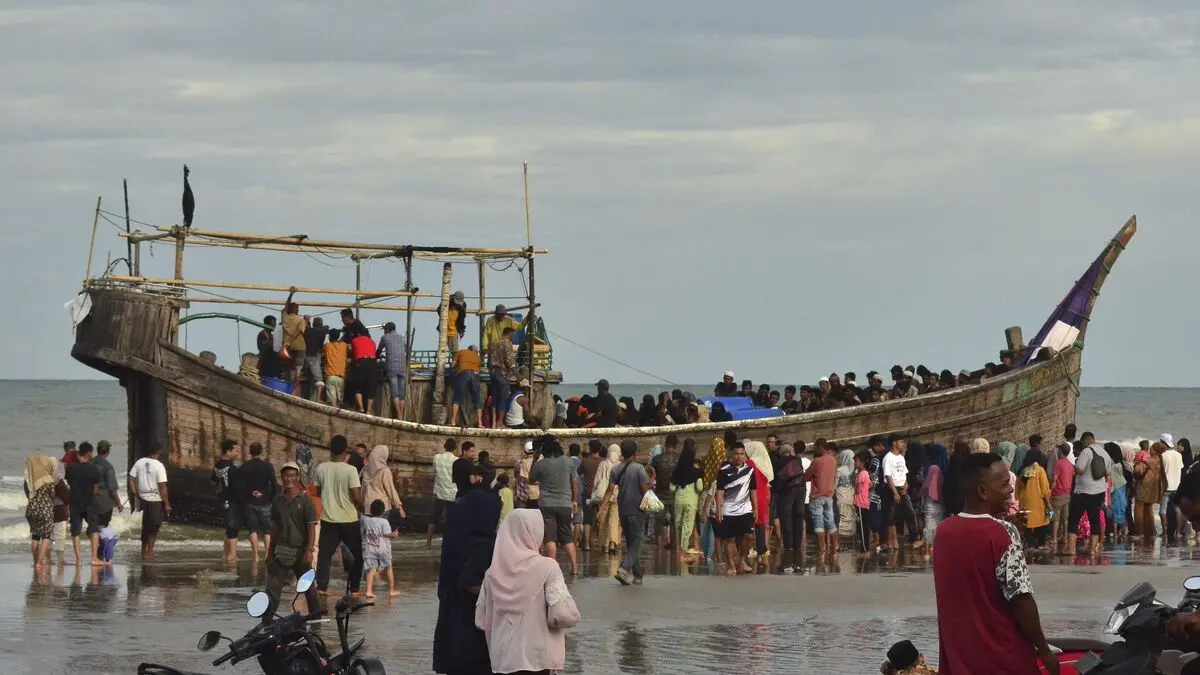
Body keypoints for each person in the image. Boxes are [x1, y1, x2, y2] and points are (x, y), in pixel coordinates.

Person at [934, 452, 1058, 675]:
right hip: (1003, 659)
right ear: (983, 491)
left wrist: (1003, 528)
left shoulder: (943, 532)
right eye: (1004, 485)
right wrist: (1044, 649)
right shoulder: (1004, 534)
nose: (1011, 490)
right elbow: (1021, 600)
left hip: (960, 660)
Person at [475, 509, 579, 675]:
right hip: (538, 659)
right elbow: (563, 616)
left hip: (503, 660)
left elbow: (481, 620)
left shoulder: (491, 574)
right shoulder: (548, 568)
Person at [433, 487, 502, 675]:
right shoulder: (483, 543)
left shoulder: (456, 539)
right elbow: (469, 581)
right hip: (470, 627)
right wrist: (498, 598)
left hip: (451, 621)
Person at [263, 461, 321, 621]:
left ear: (297, 477)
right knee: (273, 590)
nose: (289, 479)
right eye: (286, 475)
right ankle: (266, 623)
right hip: (281, 552)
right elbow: (274, 529)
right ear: (282, 477)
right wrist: (269, 553)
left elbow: (311, 527)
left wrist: (310, 551)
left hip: (301, 553)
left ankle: (317, 621)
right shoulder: (278, 501)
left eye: (292, 475)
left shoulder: (306, 500)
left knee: (309, 590)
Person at [313, 435, 364, 595]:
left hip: (328, 519)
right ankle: (354, 589)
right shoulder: (351, 470)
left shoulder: (321, 468)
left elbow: (319, 491)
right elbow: (356, 496)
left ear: (330, 449)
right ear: (345, 450)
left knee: (324, 556)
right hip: (349, 519)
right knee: (356, 555)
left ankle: (322, 588)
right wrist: (361, 508)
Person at [527, 437, 580, 576]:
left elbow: (531, 480)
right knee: (567, 536)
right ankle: (574, 568)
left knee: (550, 537)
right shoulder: (569, 462)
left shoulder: (541, 464)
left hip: (546, 504)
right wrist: (574, 500)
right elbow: (574, 482)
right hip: (565, 503)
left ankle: (553, 569)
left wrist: (534, 459)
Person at [608, 439, 650, 585]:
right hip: (637, 510)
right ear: (635, 453)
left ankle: (638, 576)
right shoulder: (639, 469)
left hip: (623, 510)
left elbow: (609, 490)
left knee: (632, 542)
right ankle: (623, 569)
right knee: (636, 543)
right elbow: (645, 491)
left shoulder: (615, 469)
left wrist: (602, 509)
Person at [1065, 433, 1110, 556]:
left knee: (1073, 519)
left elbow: (1079, 469)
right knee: (1094, 520)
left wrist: (1074, 468)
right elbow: (1108, 472)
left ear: (1085, 441)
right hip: (1099, 491)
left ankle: (1070, 549)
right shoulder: (1105, 454)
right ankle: (1092, 550)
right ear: (1094, 440)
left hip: (1083, 491)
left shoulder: (1086, 452)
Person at [716, 441, 758, 576]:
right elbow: (720, 491)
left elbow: (753, 490)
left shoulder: (750, 470)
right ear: (731, 454)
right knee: (730, 539)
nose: (739, 457)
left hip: (745, 509)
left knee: (748, 536)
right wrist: (718, 509)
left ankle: (741, 558)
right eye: (736, 454)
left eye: (741, 454)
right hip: (728, 509)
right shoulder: (724, 471)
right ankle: (731, 565)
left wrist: (756, 508)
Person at [129, 441, 170, 559]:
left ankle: (143, 550)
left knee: (145, 525)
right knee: (154, 525)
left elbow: (131, 479)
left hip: (143, 498)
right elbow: (162, 486)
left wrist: (134, 492)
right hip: (155, 499)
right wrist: (167, 503)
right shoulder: (159, 466)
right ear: (159, 451)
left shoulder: (139, 462)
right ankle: (150, 551)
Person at [239, 442, 279, 562]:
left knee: (253, 530)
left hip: (250, 502)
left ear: (250, 452)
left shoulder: (244, 467)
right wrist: (269, 497)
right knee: (267, 530)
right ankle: (267, 554)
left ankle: (255, 555)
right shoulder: (267, 466)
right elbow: (274, 485)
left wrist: (251, 493)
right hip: (265, 502)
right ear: (261, 451)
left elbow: (240, 486)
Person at [65, 442, 103, 566]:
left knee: (76, 531)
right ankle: (93, 558)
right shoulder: (93, 469)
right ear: (89, 453)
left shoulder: (70, 467)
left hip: (74, 502)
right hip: (89, 502)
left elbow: (70, 483)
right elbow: (95, 489)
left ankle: (78, 560)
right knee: (94, 529)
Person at [24, 454, 64, 568]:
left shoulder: (29, 481)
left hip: (31, 510)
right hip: (45, 511)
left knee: (35, 536)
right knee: (46, 536)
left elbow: (27, 494)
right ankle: (39, 562)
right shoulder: (47, 480)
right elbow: (52, 495)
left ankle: (35, 560)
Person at [773, 443, 807, 571]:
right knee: (798, 516)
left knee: (786, 517)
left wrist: (776, 492)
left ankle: (788, 545)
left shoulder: (778, 461)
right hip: (800, 489)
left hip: (786, 492)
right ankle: (797, 544)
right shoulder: (797, 460)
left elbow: (777, 479)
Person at [670, 440, 704, 564]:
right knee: (687, 527)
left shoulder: (676, 471)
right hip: (691, 500)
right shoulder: (696, 472)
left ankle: (680, 551)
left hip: (678, 499)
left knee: (678, 526)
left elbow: (672, 488)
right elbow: (700, 488)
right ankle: (683, 553)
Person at [361, 499, 400, 598]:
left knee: (371, 569)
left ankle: (369, 591)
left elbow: (360, 517)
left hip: (370, 549)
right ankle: (391, 590)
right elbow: (387, 534)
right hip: (383, 549)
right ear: (383, 511)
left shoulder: (365, 520)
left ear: (370, 510)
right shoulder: (384, 521)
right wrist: (394, 534)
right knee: (389, 568)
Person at [212, 439, 242, 562]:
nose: (237, 454)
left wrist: (220, 492)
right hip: (232, 499)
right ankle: (232, 555)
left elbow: (213, 482)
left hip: (222, 499)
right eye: (235, 451)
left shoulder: (217, 465)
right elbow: (237, 486)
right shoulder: (232, 467)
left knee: (228, 526)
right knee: (233, 526)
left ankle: (226, 554)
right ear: (228, 451)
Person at [361, 445, 405, 528]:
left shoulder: (366, 469)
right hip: (381, 508)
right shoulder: (384, 471)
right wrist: (399, 506)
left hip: (368, 507)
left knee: (370, 534)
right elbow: (391, 490)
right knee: (381, 534)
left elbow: (363, 489)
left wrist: (360, 505)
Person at [650, 435, 681, 552]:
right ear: (676, 445)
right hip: (675, 493)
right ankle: (674, 543)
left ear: (665, 445)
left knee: (659, 520)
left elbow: (651, 475)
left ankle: (659, 544)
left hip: (660, 492)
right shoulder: (679, 458)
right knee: (675, 520)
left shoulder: (657, 459)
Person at [1017, 448, 1052, 550]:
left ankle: (1029, 544)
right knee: (1041, 522)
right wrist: (1048, 504)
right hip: (1037, 502)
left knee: (1028, 522)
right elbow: (1045, 490)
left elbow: (1019, 487)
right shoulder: (1040, 470)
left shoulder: (1024, 470)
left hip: (1025, 502)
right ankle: (1041, 544)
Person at [429, 439, 460, 548]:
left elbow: (434, 472)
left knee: (434, 518)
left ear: (445, 446)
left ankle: (428, 542)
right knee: (451, 519)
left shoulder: (437, 458)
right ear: (455, 448)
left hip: (439, 492)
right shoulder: (457, 460)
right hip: (452, 492)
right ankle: (450, 542)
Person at [486, 327, 519, 429]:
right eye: (513, 335)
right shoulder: (507, 344)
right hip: (502, 373)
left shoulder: (493, 343)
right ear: (510, 334)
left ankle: (494, 424)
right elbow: (510, 362)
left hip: (493, 373)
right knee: (503, 399)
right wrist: (518, 375)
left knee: (495, 399)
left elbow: (489, 356)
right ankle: (500, 423)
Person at [1134, 442, 1167, 544]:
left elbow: (1138, 471)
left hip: (1145, 488)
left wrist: (1136, 464)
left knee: (1138, 511)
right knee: (1149, 511)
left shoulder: (1150, 461)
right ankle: (1150, 533)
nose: (1150, 450)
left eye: (1152, 448)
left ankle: (1139, 534)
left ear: (1155, 450)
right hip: (1154, 490)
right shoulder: (1160, 460)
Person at [378, 322, 408, 419]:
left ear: (387, 329)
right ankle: (402, 415)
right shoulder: (402, 338)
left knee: (395, 393)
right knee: (402, 394)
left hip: (391, 367)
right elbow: (406, 349)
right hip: (402, 367)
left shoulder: (385, 337)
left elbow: (378, 351)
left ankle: (398, 414)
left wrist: (379, 355)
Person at [91, 440, 123, 531]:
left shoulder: (90, 463)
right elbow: (112, 488)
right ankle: (101, 544)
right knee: (103, 527)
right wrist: (119, 503)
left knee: (93, 527)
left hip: (90, 501)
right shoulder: (108, 467)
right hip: (104, 503)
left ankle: (94, 544)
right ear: (108, 451)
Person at [922, 444, 948, 553]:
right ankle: (931, 548)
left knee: (930, 525)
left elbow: (926, 486)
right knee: (935, 525)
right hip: (936, 501)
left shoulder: (932, 468)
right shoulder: (936, 468)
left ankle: (929, 548)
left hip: (931, 501)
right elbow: (932, 487)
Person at [281, 289, 307, 395]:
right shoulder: (301, 320)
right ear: (296, 310)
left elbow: (286, 306)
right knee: (298, 370)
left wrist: (290, 294)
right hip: (300, 347)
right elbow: (299, 332)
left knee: (291, 370)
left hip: (288, 348)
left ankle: (292, 390)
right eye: (298, 308)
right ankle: (296, 390)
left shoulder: (285, 318)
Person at [450, 345, 484, 428]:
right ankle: (480, 423)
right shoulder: (477, 356)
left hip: (464, 373)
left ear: (468, 348)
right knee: (477, 400)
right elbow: (479, 366)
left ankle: (453, 421)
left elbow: (453, 364)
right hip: (475, 375)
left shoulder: (460, 352)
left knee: (457, 398)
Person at [1049, 443, 1074, 553]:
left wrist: (1050, 491)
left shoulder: (1058, 464)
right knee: (1066, 518)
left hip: (1057, 494)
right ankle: (1065, 538)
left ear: (1061, 452)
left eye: (1059, 451)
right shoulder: (1070, 465)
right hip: (1067, 494)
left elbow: (1054, 480)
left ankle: (1054, 538)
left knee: (1055, 518)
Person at [1161, 433, 1185, 540]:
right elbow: (1180, 469)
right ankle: (1177, 532)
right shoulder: (1179, 455)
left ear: (1163, 443)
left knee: (1162, 511)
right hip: (1177, 486)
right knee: (1177, 509)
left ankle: (1165, 532)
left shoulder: (1162, 456)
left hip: (1166, 487)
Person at [303, 317, 328, 402]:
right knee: (319, 379)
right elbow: (326, 327)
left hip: (305, 354)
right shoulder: (323, 331)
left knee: (311, 377)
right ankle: (318, 399)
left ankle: (312, 398)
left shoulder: (308, 331)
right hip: (313, 356)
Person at [322, 328, 348, 407]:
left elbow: (322, 355)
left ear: (329, 337)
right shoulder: (344, 345)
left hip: (330, 376)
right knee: (339, 402)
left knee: (332, 403)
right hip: (341, 377)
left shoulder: (326, 346)